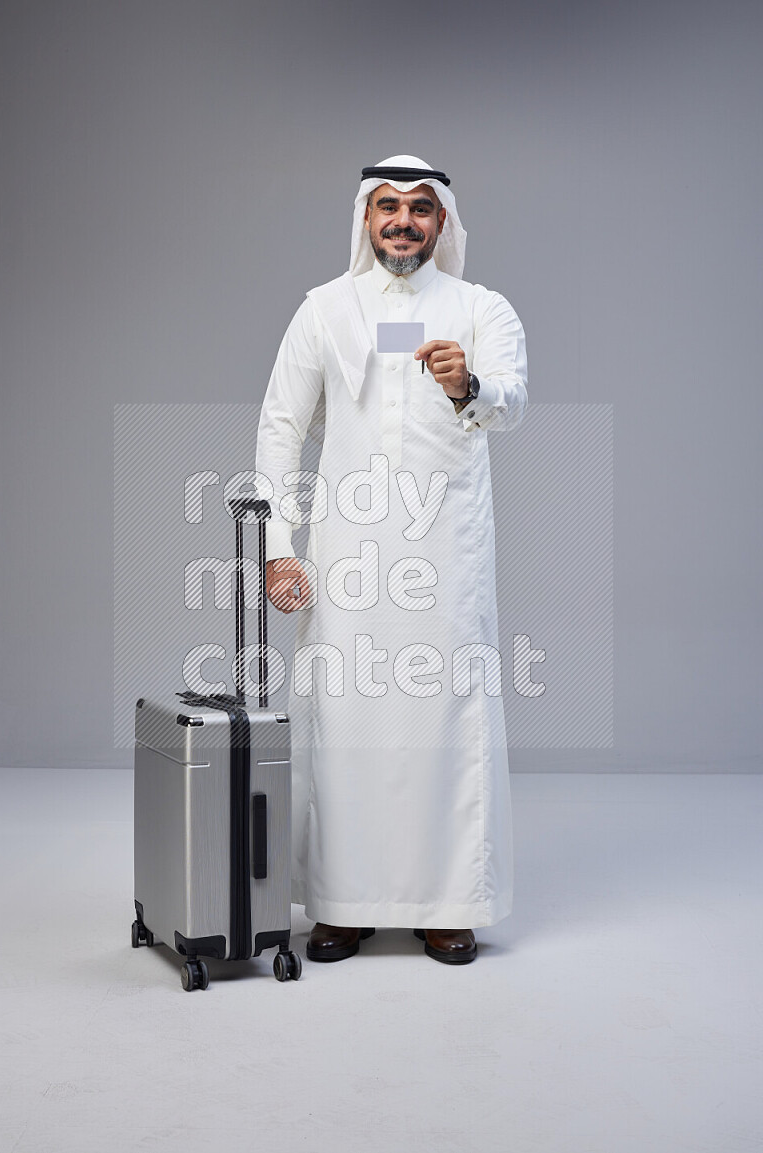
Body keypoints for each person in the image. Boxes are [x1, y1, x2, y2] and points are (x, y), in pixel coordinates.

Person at [255, 155, 528, 964]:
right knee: (344, 722)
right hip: (346, 554)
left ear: (441, 221)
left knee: (447, 720)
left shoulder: (482, 308)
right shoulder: (323, 310)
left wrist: (466, 383)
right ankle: (341, 903)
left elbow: (512, 402)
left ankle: (450, 903)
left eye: (418, 207)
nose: (402, 221)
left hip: (448, 552)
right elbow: (279, 426)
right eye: (387, 207)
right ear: (365, 219)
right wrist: (278, 547)